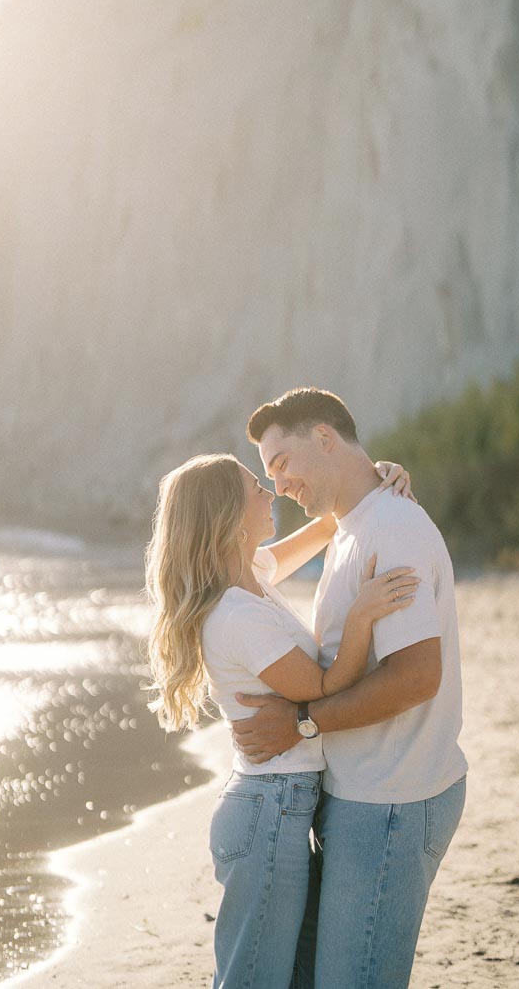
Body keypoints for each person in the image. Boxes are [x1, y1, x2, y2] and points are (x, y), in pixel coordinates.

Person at [144, 451, 417, 989]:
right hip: (269, 812)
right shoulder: (236, 614)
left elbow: (326, 527)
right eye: (256, 490)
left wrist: (378, 479)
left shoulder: (252, 576)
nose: (270, 494)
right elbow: (324, 686)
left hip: (280, 808)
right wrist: (362, 615)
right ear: (228, 518)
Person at [234, 387, 467, 989]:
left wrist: (302, 723)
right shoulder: (352, 526)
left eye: (282, 463)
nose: (279, 485)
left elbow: (418, 676)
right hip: (361, 793)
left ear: (325, 439)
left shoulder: (391, 528)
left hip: (392, 798)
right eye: (268, 474)